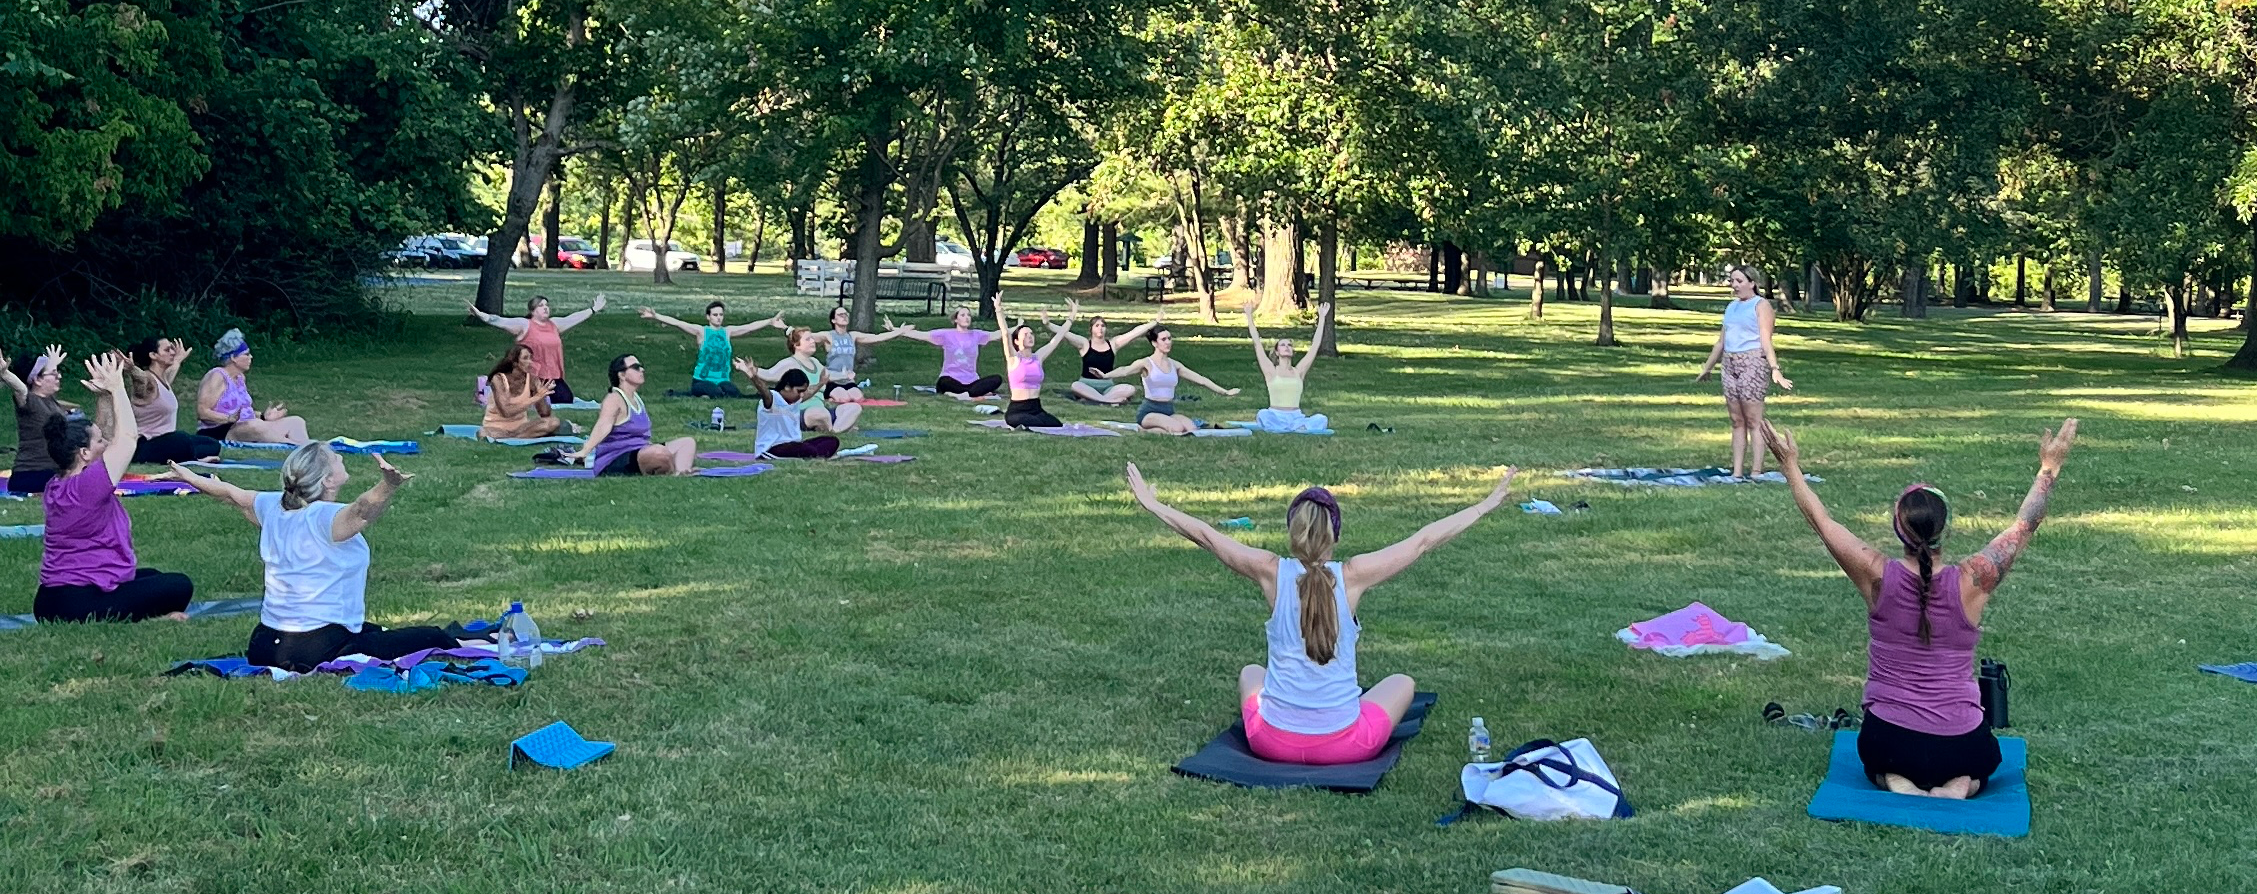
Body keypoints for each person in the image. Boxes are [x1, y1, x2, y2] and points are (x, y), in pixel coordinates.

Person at [1124, 462, 1520, 765]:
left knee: (1250, 673)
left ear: (1292, 533)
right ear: (1335, 535)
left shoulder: (1270, 571)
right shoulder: (1353, 576)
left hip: (1270, 742)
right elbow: (1423, 541)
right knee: (1402, 682)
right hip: (1347, 745)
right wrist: (1483, 505)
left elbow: (1206, 536)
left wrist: (1153, 504)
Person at [1764, 418, 2076, 799]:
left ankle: (1894, 779)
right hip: (1961, 744)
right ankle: (1961, 784)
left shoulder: (1876, 575)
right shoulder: (1973, 580)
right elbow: (2024, 525)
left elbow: (1821, 521)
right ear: (1945, 530)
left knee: (1878, 759)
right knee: (1980, 764)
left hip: (1889, 741)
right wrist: (2049, 467)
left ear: (1899, 530)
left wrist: (1790, 466)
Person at [170, 444, 457, 672]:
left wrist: (190, 477)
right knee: (432, 636)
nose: (341, 458)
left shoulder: (273, 506)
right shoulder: (325, 517)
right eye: (335, 458)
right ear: (328, 479)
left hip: (264, 644)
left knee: (375, 631)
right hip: (314, 648)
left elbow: (230, 493)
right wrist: (388, 485)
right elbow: (362, 510)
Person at [32, 354, 195, 623]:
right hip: (76, 603)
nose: (106, 444)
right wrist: (118, 387)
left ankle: (138, 612)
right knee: (179, 585)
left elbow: (105, 433)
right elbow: (127, 439)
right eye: (98, 442)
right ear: (84, 453)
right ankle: (153, 620)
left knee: (153, 576)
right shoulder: (86, 486)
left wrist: (105, 396)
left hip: (50, 600)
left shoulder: (59, 483)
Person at [1695, 266, 1794, 478]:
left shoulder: (1761, 306)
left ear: (1752, 283)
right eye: (1732, 281)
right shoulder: (1731, 307)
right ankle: (1737, 472)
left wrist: (1775, 369)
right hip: (1730, 364)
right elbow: (1721, 342)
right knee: (1737, 421)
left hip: (1752, 362)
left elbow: (1766, 340)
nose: (1735, 285)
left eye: (1739, 281)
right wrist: (1707, 368)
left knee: (1753, 420)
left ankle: (1756, 471)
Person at [565, 354, 699, 476]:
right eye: (636, 367)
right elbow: (603, 425)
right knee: (659, 453)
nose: (642, 370)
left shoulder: (636, 398)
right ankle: (672, 471)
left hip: (641, 451)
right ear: (622, 375)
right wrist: (586, 450)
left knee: (687, 443)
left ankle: (682, 473)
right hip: (616, 458)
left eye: (641, 366)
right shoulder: (614, 399)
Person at [1097, 326, 1239, 435]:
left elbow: (1201, 380)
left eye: (1169, 339)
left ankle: (1161, 427)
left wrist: (1225, 392)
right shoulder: (1146, 363)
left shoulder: (1175, 365)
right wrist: (1105, 375)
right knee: (1177, 429)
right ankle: (1144, 430)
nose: (1168, 342)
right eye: (1163, 339)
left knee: (1192, 429)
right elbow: (1124, 370)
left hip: (1168, 410)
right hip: (1149, 411)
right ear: (1154, 343)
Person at [469, 293, 606, 404]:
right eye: (541, 306)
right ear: (532, 311)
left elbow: (572, 318)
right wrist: (483, 316)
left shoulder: (554, 324)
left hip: (553, 376)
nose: (545, 308)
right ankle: (488, 388)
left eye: (546, 305)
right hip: (531, 375)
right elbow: (501, 321)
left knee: (565, 399)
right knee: (529, 401)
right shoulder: (524, 325)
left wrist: (593, 310)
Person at [637, 302, 785, 398]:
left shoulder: (727, 332)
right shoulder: (701, 331)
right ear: (708, 317)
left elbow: (749, 327)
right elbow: (678, 323)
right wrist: (656, 316)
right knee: (717, 394)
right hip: (702, 380)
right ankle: (683, 394)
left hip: (722, 379)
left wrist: (769, 321)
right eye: (715, 315)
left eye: (721, 315)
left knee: (733, 394)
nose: (718, 318)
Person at [194, 329, 310, 445]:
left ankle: (305, 448)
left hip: (245, 425)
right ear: (233, 357)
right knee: (256, 426)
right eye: (246, 354)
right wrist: (228, 418)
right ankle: (295, 445)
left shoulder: (240, 378)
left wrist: (263, 416)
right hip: (220, 430)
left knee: (296, 422)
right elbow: (202, 412)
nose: (251, 357)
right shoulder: (217, 376)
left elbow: (243, 412)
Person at [737, 328, 862, 434]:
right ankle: (839, 428)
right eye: (808, 339)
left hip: (822, 411)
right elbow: (769, 374)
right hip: (800, 413)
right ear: (796, 345)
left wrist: (844, 375)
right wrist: (750, 370)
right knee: (820, 414)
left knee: (854, 408)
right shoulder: (790, 363)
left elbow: (828, 376)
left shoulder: (815, 362)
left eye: (812, 338)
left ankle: (835, 431)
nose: (813, 341)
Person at [124, 337, 223, 464]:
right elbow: (140, 379)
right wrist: (132, 369)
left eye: (172, 349)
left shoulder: (163, 379)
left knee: (213, 444)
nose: (172, 352)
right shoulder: (147, 382)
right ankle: (195, 459)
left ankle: (186, 453)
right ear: (153, 355)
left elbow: (171, 371)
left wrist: (178, 359)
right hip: (146, 445)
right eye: (167, 350)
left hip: (166, 441)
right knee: (181, 439)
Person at [1047, 301, 1161, 405]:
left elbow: (1134, 333)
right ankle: (1107, 400)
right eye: (1097, 326)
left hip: (1107, 387)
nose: (1100, 328)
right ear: (1091, 329)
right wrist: (1048, 324)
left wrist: (1154, 322)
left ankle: (1096, 399)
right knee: (1075, 386)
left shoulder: (1113, 344)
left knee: (1130, 389)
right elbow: (1065, 333)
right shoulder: (1085, 344)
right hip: (1087, 385)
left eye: (1103, 326)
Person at [1244, 303, 1333, 433]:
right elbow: (1257, 343)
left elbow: (1315, 346)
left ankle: (1290, 428)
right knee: (1263, 414)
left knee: (1321, 418)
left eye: (1289, 345)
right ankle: (1294, 429)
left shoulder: (1299, 371)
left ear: (1292, 351)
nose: (1286, 347)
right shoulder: (1271, 371)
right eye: (1283, 345)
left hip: (1296, 417)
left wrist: (1322, 318)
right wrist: (1249, 315)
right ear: (1277, 352)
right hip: (1275, 415)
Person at [994, 296, 1075, 429]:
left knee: (1056, 425)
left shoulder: (1038, 357)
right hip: (1017, 410)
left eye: (1031, 334)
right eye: (1025, 335)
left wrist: (1071, 316)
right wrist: (998, 310)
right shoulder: (1013, 358)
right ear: (1016, 341)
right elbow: (1005, 333)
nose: (1030, 336)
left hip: (1036, 408)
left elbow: (1058, 337)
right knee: (1027, 421)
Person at [4, 344, 72, 493]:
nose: (59, 376)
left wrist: (52, 364)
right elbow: (19, 388)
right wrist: (5, 374)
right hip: (31, 476)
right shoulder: (29, 401)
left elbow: (44, 374)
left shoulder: (50, 400)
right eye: (54, 373)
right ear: (37, 380)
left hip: (51, 473)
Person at [896, 306, 1003, 399]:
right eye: (962, 315)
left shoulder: (976, 334)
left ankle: (963, 393)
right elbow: (923, 335)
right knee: (943, 382)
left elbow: (997, 334)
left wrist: (1013, 329)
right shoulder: (946, 334)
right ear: (956, 319)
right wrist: (897, 330)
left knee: (997, 379)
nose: (966, 318)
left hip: (972, 381)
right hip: (951, 379)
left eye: (968, 315)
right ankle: (971, 393)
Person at [819, 306, 914, 403]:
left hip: (848, 380)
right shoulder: (828, 336)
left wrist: (899, 331)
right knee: (844, 399)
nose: (844, 317)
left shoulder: (852, 336)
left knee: (858, 398)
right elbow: (809, 336)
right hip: (832, 380)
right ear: (833, 320)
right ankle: (829, 396)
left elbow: (877, 337)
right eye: (840, 315)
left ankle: (839, 396)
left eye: (846, 314)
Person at [480, 344, 570, 440]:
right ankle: (519, 437)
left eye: (531, 358)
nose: (530, 362)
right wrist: (535, 398)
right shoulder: (498, 379)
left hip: (521, 427)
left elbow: (545, 414)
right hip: (496, 427)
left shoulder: (532, 379)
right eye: (525, 358)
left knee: (553, 422)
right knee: (484, 433)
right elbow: (506, 412)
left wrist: (541, 395)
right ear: (515, 362)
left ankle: (513, 437)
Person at [750, 370, 842, 459]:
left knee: (832, 441)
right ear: (787, 387)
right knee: (807, 449)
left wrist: (821, 383)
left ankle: (815, 454)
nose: (801, 395)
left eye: (803, 391)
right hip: (772, 448)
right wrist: (753, 377)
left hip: (795, 445)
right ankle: (816, 454)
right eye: (799, 391)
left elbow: (810, 392)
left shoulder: (795, 401)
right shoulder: (773, 399)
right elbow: (764, 391)